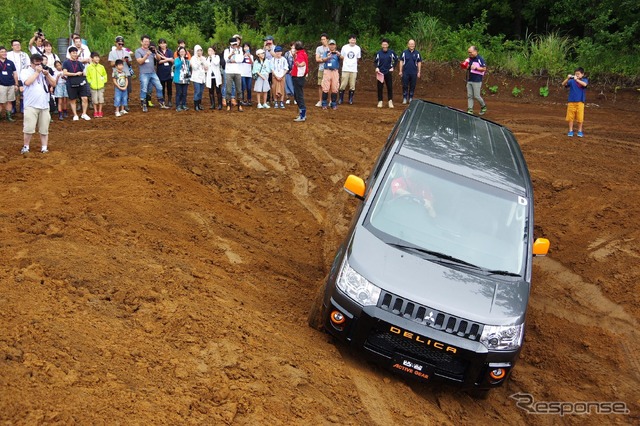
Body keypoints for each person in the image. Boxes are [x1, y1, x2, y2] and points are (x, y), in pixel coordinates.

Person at [20, 54, 56, 154]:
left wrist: (47, 74)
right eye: (37, 64)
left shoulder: (43, 72)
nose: (39, 65)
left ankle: (44, 147)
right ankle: (26, 146)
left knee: (44, 128)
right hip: (31, 105)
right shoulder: (25, 71)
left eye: (40, 63)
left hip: (44, 105)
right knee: (29, 128)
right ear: (31, 63)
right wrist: (37, 72)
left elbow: (53, 83)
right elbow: (27, 82)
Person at [135, 35, 169, 112]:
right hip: (144, 73)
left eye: (148, 41)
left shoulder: (151, 50)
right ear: (141, 42)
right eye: (145, 41)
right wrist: (147, 54)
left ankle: (161, 103)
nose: (147, 43)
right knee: (144, 89)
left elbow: (158, 59)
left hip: (153, 72)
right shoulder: (138, 51)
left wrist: (155, 51)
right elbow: (140, 61)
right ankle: (143, 104)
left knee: (159, 87)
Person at [62, 46, 91, 121]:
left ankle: (84, 113)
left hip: (81, 82)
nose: (75, 54)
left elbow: (84, 71)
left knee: (84, 98)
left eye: (76, 53)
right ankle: (75, 115)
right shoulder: (66, 62)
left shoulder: (79, 62)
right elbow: (65, 73)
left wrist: (84, 73)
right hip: (71, 82)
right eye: (73, 53)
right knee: (73, 99)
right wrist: (75, 74)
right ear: (70, 53)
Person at [562, 67, 588, 138]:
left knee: (580, 118)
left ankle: (580, 131)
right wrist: (567, 78)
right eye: (576, 74)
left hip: (580, 102)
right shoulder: (571, 81)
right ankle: (570, 130)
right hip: (571, 102)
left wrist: (577, 80)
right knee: (570, 117)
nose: (577, 75)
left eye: (578, 74)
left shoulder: (584, 80)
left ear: (582, 74)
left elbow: (585, 85)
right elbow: (563, 84)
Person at [108, 36, 134, 106]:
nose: (120, 45)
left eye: (122, 44)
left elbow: (130, 64)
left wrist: (127, 60)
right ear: (115, 43)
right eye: (119, 44)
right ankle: (118, 104)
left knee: (127, 89)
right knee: (118, 89)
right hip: (117, 74)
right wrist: (119, 61)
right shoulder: (112, 53)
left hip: (126, 72)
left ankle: (125, 104)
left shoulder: (126, 52)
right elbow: (111, 64)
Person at [463, 45, 487, 115]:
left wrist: (476, 68)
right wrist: (467, 67)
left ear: (475, 51)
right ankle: (470, 110)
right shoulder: (469, 59)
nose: (470, 54)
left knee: (477, 96)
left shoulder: (480, 59)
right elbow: (469, 68)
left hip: (477, 80)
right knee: (469, 96)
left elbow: (484, 69)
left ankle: (483, 106)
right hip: (470, 79)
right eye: (468, 52)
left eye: (471, 52)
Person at [7, 40, 29, 114]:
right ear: (12, 46)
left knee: (23, 93)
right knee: (13, 93)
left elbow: (28, 65)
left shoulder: (24, 55)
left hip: (23, 77)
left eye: (18, 44)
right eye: (15, 45)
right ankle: (13, 108)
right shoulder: (8, 54)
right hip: (12, 77)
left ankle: (22, 107)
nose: (17, 46)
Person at [374, 38, 398, 108]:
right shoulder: (378, 53)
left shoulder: (391, 52)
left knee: (389, 87)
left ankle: (390, 101)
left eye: (386, 44)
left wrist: (393, 67)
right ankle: (380, 101)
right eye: (383, 44)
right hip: (380, 73)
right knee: (380, 87)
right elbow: (375, 62)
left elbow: (396, 60)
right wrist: (376, 67)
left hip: (388, 72)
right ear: (381, 45)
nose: (385, 46)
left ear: (388, 45)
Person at [338, 35, 361, 105]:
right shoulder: (345, 47)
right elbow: (341, 56)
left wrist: (353, 63)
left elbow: (358, 58)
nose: (352, 41)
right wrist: (347, 61)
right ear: (349, 40)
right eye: (351, 40)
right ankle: (341, 99)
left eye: (354, 40)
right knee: (343, 84)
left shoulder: (358, 48)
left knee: (352, 85)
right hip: (345, 68)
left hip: (354, 69)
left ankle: (350, 99)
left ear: (355, 41)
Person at [223, 37, 244, 112]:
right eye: (233, 44)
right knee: (228, 89)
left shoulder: (240, 50)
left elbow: (241, 59)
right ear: (230, 44)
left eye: (236, 44)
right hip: (229, 72)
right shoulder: (227, 50)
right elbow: (226, 59)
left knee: (239, 89)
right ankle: (228, 105)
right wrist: (231, 55)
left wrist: (233, 60)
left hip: (238, 71)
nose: (235, 45)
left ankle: (240, 105)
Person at [398, 39, 421, 104]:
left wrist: (419, 72)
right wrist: (400, 71)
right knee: (405, 85)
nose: (411, 45)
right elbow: (401, 61)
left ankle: (411, 98)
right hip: (405, 72)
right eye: (410, 44)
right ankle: (405, 98)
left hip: (414, 72)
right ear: (408, 45)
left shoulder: (417, 53)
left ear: (414, 45)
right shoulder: (404, 53)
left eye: (413, 44)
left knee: (412, 86)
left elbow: (419, 62)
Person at [0, 46, 19, 122]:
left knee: (10, 101)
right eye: (2, 52)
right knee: (0, 102)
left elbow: (15, 74)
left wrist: (16, 84)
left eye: (5, 52)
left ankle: (9, 116)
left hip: (11, 85)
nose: (4, 53)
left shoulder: (10, 62)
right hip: (1, 85)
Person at [319, 39, 340, 110]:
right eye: (330, 45)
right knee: (325, 88)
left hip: (334, 71)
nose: (332, 46)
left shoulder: (337, 53)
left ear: (335, 46)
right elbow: (322, 59)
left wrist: (339, 55)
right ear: (328, 45)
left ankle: (333, 104)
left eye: (333, 45)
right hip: (327, 71)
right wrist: (327, 57)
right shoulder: (326, 53)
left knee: (334, 88)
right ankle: (324, 103)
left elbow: (343, 58)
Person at [85, 52, 107, 117]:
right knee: (94, 100)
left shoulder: (101, 67)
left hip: (101, 86)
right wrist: (90, 82)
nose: (97, 58)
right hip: (93, 86)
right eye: (95, 57)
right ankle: (95, 111)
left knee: (101, 99)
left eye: (98, 57)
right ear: (92, 58)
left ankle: (100, 111)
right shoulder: (89, 67)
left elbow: (104, 74)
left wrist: (103, 81)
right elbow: (88, 76)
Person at [291, 41, 308, 122]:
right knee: (298, 95)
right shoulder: (302, 53)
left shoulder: (300, 54)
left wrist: (299, 64)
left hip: (298, 77)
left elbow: (303, 63)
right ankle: (302, 113)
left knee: (298, 96)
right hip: (299, 77)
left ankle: (302, 115)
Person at [156, 38, 174, 107]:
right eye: (161, 43)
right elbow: (158, 61)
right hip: (161, 72)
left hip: (169, 71)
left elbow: (172, 60)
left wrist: (165, 59)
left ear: (166, 44)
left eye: (164, 43)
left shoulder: (169, 51)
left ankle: (169, 101)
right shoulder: (157, 52)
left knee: (169, 87)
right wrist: (167, 59)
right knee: (162, 87)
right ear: (159, 44)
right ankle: (162, 101)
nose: (163, 45)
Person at [173, 46, 190, 111]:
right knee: (179, 93)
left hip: (185, 79)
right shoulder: (177, 59)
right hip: (178, 79)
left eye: (183, 51)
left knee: (184, 93)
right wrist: (181, 61)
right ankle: (178, 105)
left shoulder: (187, 60)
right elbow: (176, 67)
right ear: (178, 53)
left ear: (185, 52)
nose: (182, 53)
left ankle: (184, 105)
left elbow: (188, 69)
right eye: (181, 52)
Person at [190, 45, 208, 111]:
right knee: (197, 91)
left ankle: (199, 104)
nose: (199, 52)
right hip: (196, 78)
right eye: (198, 51)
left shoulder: (203, 58)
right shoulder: (193, 58)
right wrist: (199, 61)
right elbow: (194, 67)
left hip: (202, 78)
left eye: (200, 50)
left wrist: (205, 65)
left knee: (201, 92)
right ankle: (196, 105)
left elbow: (206, 67)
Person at [205, 45, 223, 110]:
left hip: (216, 77)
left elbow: (216, 63)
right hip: (210, 77)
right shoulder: (207, 58)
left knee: (218, 91)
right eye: (209, 50)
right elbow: (206, 68)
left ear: (214, 52)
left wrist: (212, 56)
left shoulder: (216, 57)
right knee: (211, 91)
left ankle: (220, 104)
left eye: (211, 51)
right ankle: (212, 104)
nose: (210, 52)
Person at [314, 33, 330, 107]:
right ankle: (320, 100)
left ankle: (329, 101)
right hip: (321, 69)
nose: (322, 41)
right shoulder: (318, 48)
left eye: (324, 39)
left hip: (329, 69)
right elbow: (317, 59)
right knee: (320, 85)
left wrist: (322, 59)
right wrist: (325, 59)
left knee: (329, 85)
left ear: (327, 40)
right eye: (321, 39)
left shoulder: (330, 48)